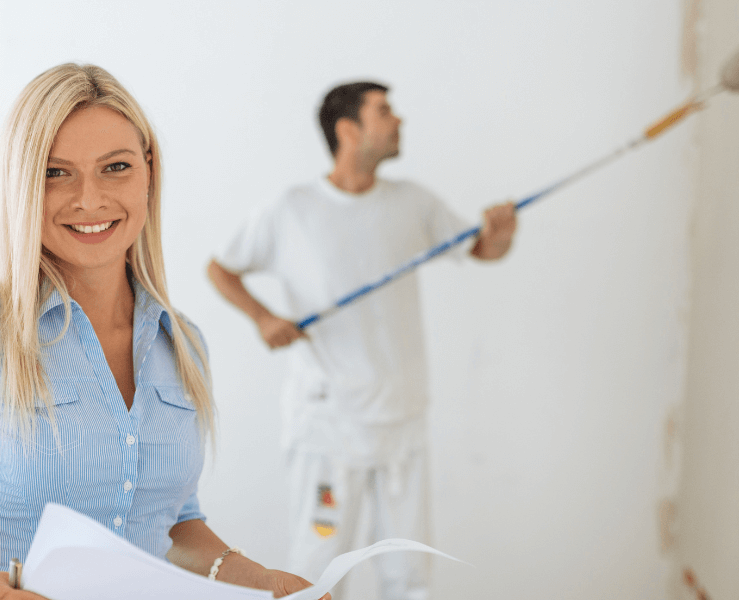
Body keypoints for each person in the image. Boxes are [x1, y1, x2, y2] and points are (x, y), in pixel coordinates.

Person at [0, 63, 327, 600]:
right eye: (55, 172)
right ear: (22, 184)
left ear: (148, 170)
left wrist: (264, 582)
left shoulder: (182, 344)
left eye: (114, 167)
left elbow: (174, 526)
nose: (89, 200)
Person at [207, 81, 518, 600]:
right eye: (385, 112)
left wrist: (500, 236)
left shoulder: (412, 202)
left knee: (410, 575)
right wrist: (264, 318)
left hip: (403, 421)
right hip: (329, 428)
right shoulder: (293, 209)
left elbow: (480, 248)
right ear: (348, 130)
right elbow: (221, 268)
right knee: (320, 572)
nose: (399, 121)